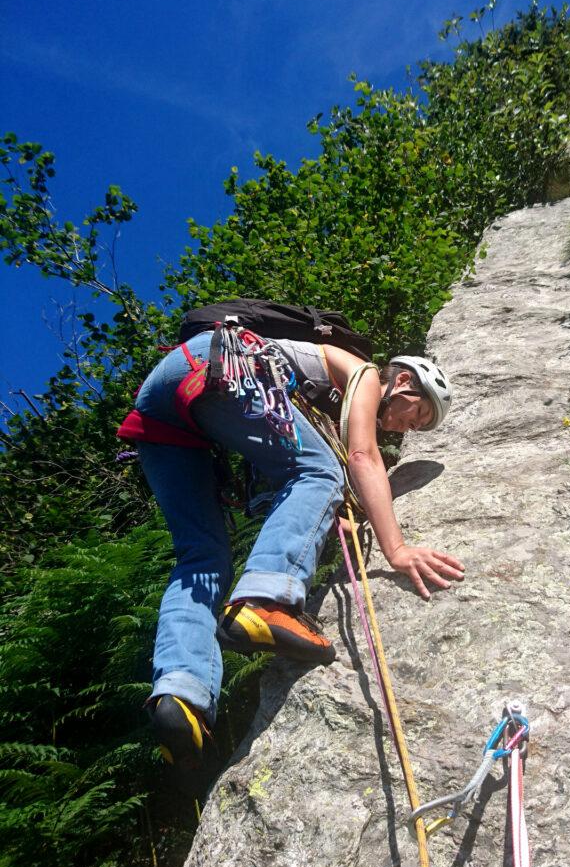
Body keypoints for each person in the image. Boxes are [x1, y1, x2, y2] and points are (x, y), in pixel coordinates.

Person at [118, 327, 464, 790]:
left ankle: (182, 694)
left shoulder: (318, 408)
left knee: (202, 559)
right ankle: (265, 602)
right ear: (401, 382)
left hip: (165, 406)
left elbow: (283, 468)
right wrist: (396, 549)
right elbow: (361, 458)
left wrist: (325, 515)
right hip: (217, 364)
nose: (407, 428)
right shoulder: (360, 375)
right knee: (322, 470)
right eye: (416, 415)